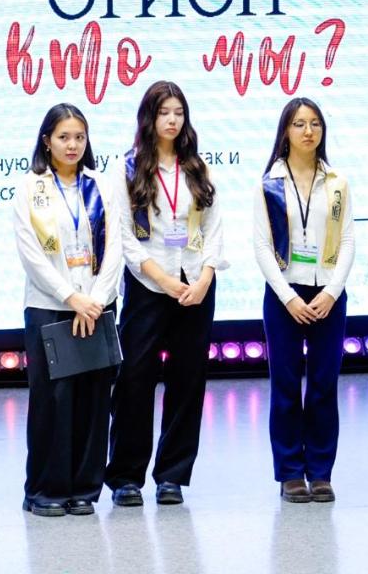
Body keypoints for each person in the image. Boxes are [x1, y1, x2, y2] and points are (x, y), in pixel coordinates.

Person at [106, 80, 227, 507]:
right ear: (149, 117)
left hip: (195, 284)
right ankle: (125, 476)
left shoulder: (198, 167)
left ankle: (172, 475)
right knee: (134, 379)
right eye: (164, 113)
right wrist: (163, 280)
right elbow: (124, 236)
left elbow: (214, 229)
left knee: (187, 380)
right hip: (148, 286)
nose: (172, 120)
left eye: (178, 112)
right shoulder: (127, 168)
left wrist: (205, 278)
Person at [13, 103, 122, 517]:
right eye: (63, 137)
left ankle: (84, 489)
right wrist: (70, 298)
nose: (72, 145)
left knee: (94, 401)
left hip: (97, 305)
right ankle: (45, 489)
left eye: (79, 137)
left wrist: (96, 299)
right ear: (47, 141)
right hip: (50, 306)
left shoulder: (101, 185)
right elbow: (31, 255)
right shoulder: (31, 187)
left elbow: (116, 247)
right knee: (53, 402)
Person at [252, 98, 355, 503]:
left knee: (324, 385)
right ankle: (291, 472)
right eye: (299, 124)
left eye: (315, 123)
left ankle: (321, 471)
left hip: (328, 296)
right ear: (286, 131)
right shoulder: (269, 184)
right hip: (285, 297)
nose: (308, 131)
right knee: (286, 385)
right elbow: (262, 247)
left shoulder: (337, 183)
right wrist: (289, 297)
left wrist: (331, 292)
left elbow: (348, 240)